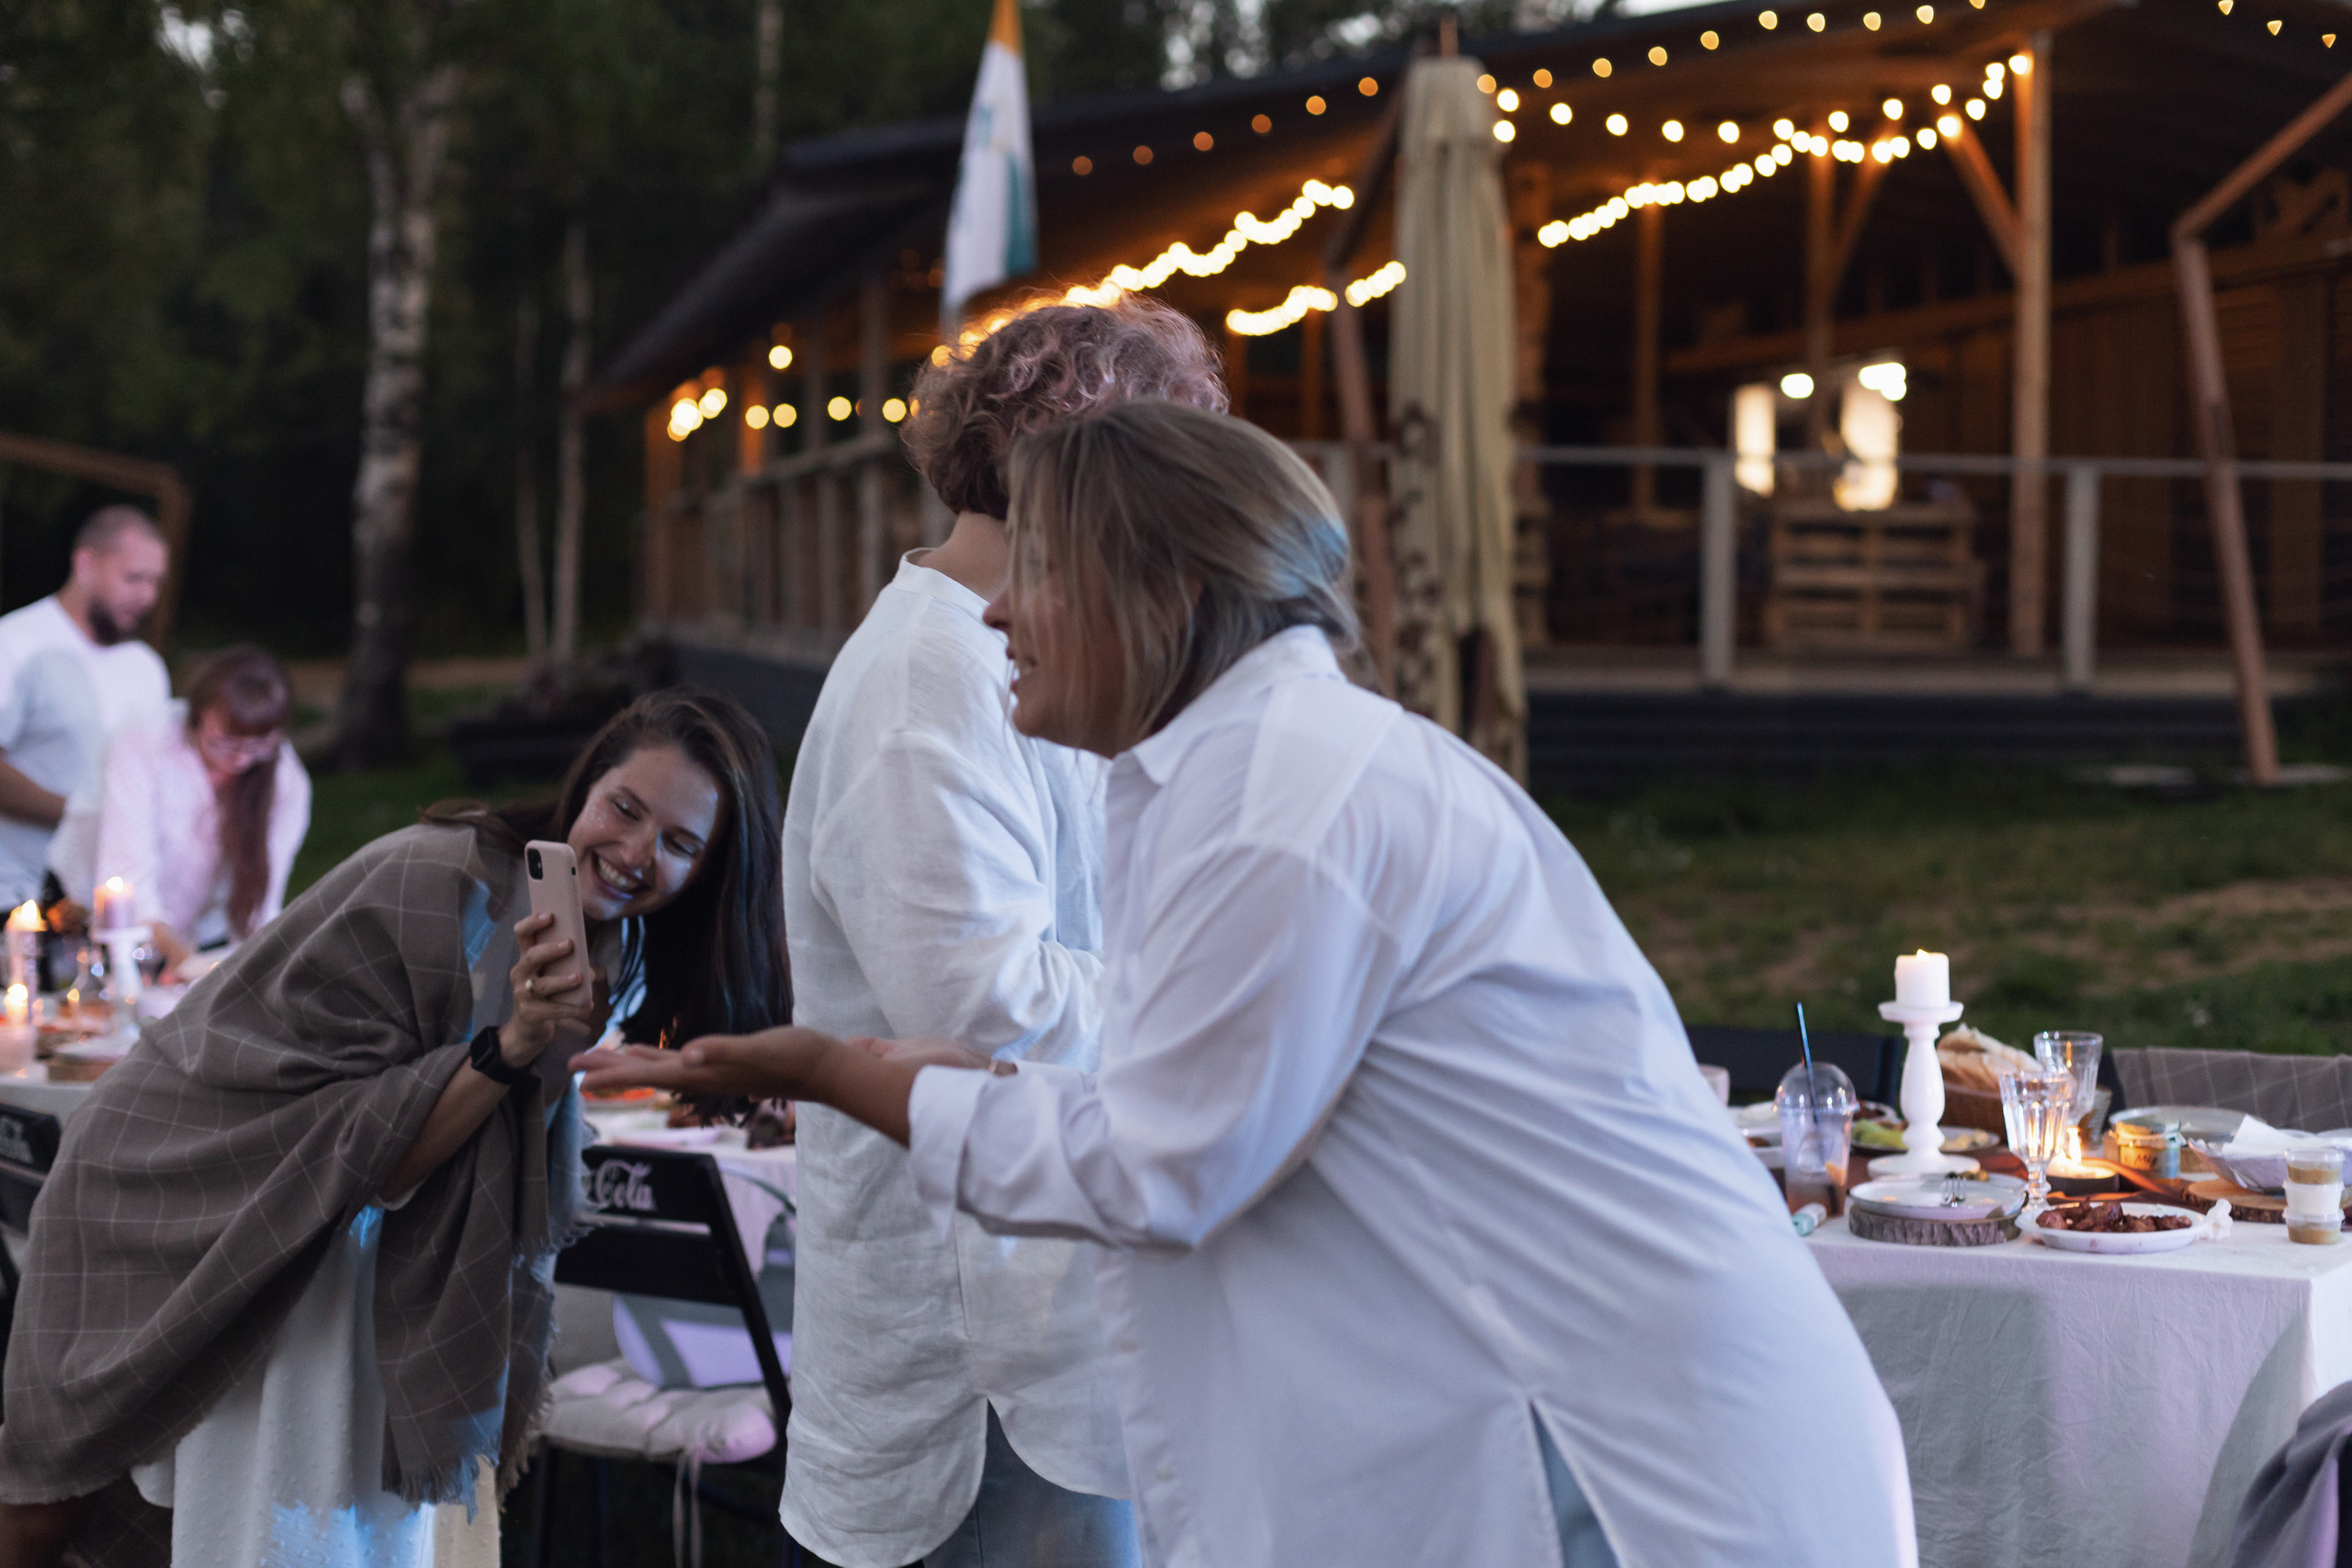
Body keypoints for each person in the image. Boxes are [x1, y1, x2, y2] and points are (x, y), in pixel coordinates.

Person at [581, 403, 1920, 1568]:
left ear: (1155, 596)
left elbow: (1158, 1162)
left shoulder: (1287, 801)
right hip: (1541, 1418)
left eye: (1034, 569)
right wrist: (830, 1063)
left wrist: (823, 1066)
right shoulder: (1222, 778)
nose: (992, 609)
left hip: (1616, 1459)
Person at [0, 688, 790, 1568]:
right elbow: (368, 1151)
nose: (637, 853)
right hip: (157, 1178)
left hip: (301, 1228)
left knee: (180, 1500)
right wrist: (512, 1045)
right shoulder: (439, 879)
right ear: (587, 785)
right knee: (51, 1492)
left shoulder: (608, 946)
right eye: (625, 809)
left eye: (680, 844)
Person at [773, 297, 1225, 1568]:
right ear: (1081, 470)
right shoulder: (930, 680)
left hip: (1063, 1328)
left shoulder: (1017, 654)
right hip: (981, 1383)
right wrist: (1220, 986)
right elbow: (985, 1016)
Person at [46, 644, 311, 976]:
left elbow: (264, 900)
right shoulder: (145, 739)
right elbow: (127, 876)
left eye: (258, 747)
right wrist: (179, 959)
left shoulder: (286, 779)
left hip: (198, 929)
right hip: (89, 918)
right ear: (197, 716)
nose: (241, 760)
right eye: (223, 743)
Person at [0, 506, 172, 906]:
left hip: (108, 903)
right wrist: (81, 817)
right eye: (133, 578)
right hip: (15, 895)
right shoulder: (16, 644)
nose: (146, 596)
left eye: (155, 582)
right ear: (85, 563)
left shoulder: (146, 667)